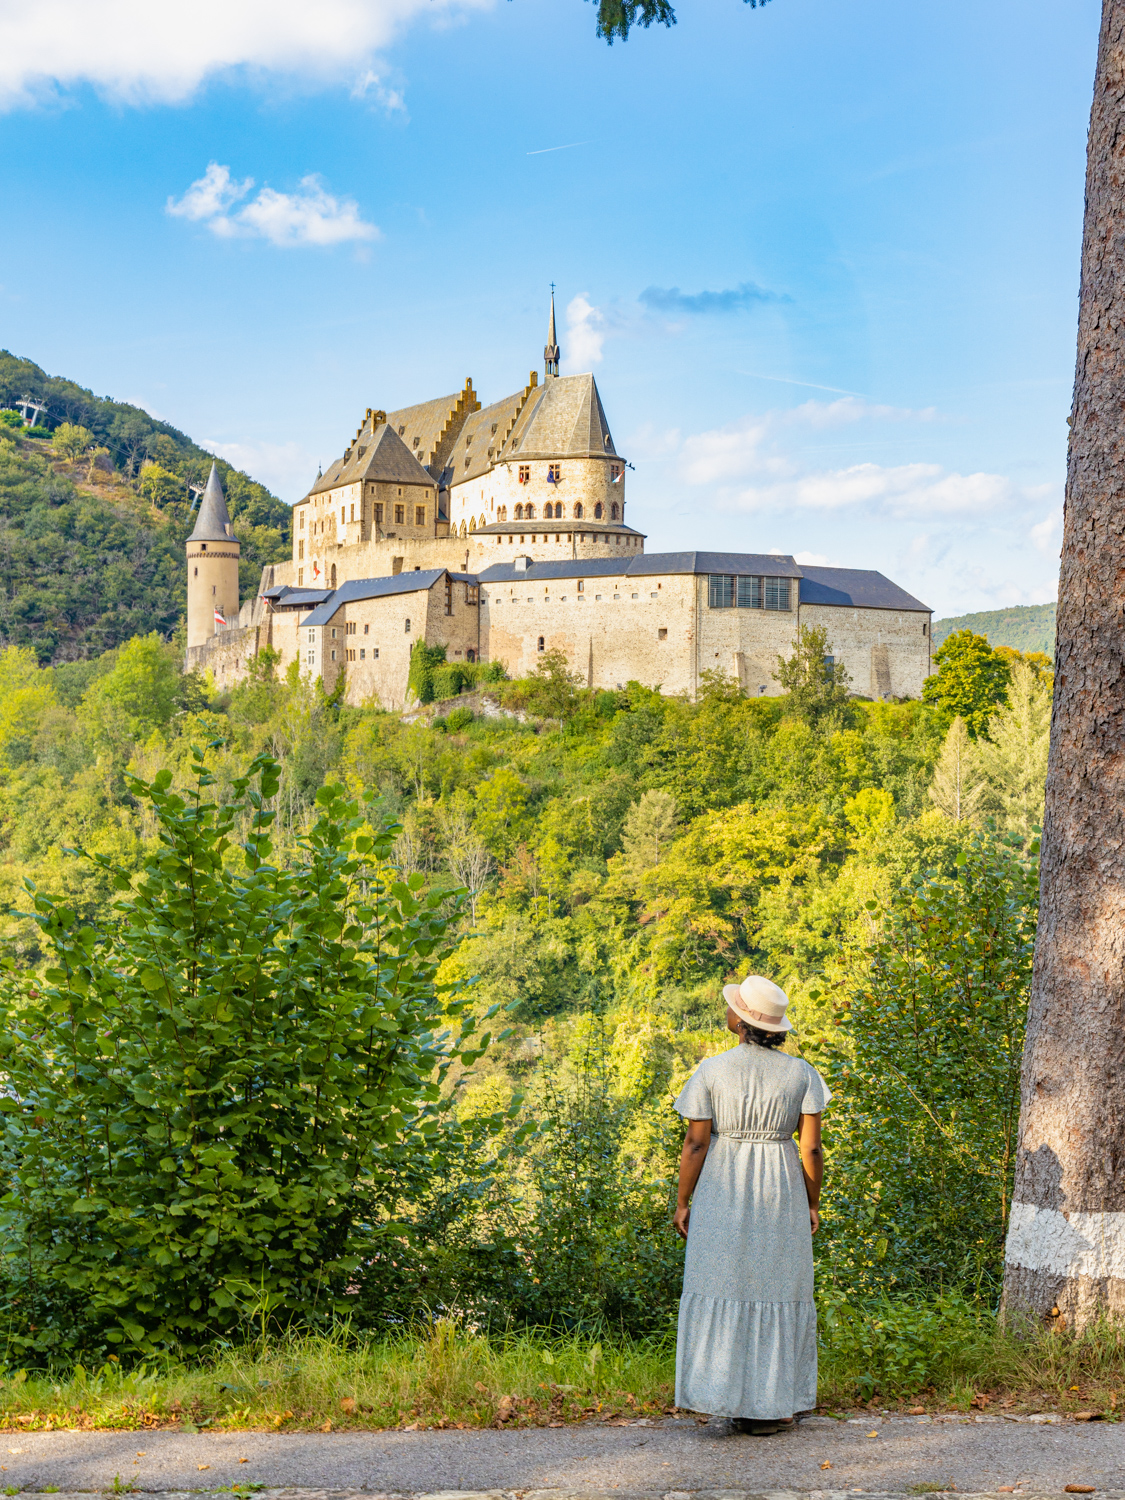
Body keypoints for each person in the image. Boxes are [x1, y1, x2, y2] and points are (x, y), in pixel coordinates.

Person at [672, 974, 828, 1436]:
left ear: (740, 1021)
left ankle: (723, 1395)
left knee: (723, 1281)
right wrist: (812, 1202)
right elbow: (812, 1150)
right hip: (780, 1189)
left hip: (723, 1185)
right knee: (776, 1286)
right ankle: (771, 1405)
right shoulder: (802, 1073)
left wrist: (683, 1200)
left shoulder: (712, 1070)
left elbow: (695, 1144)